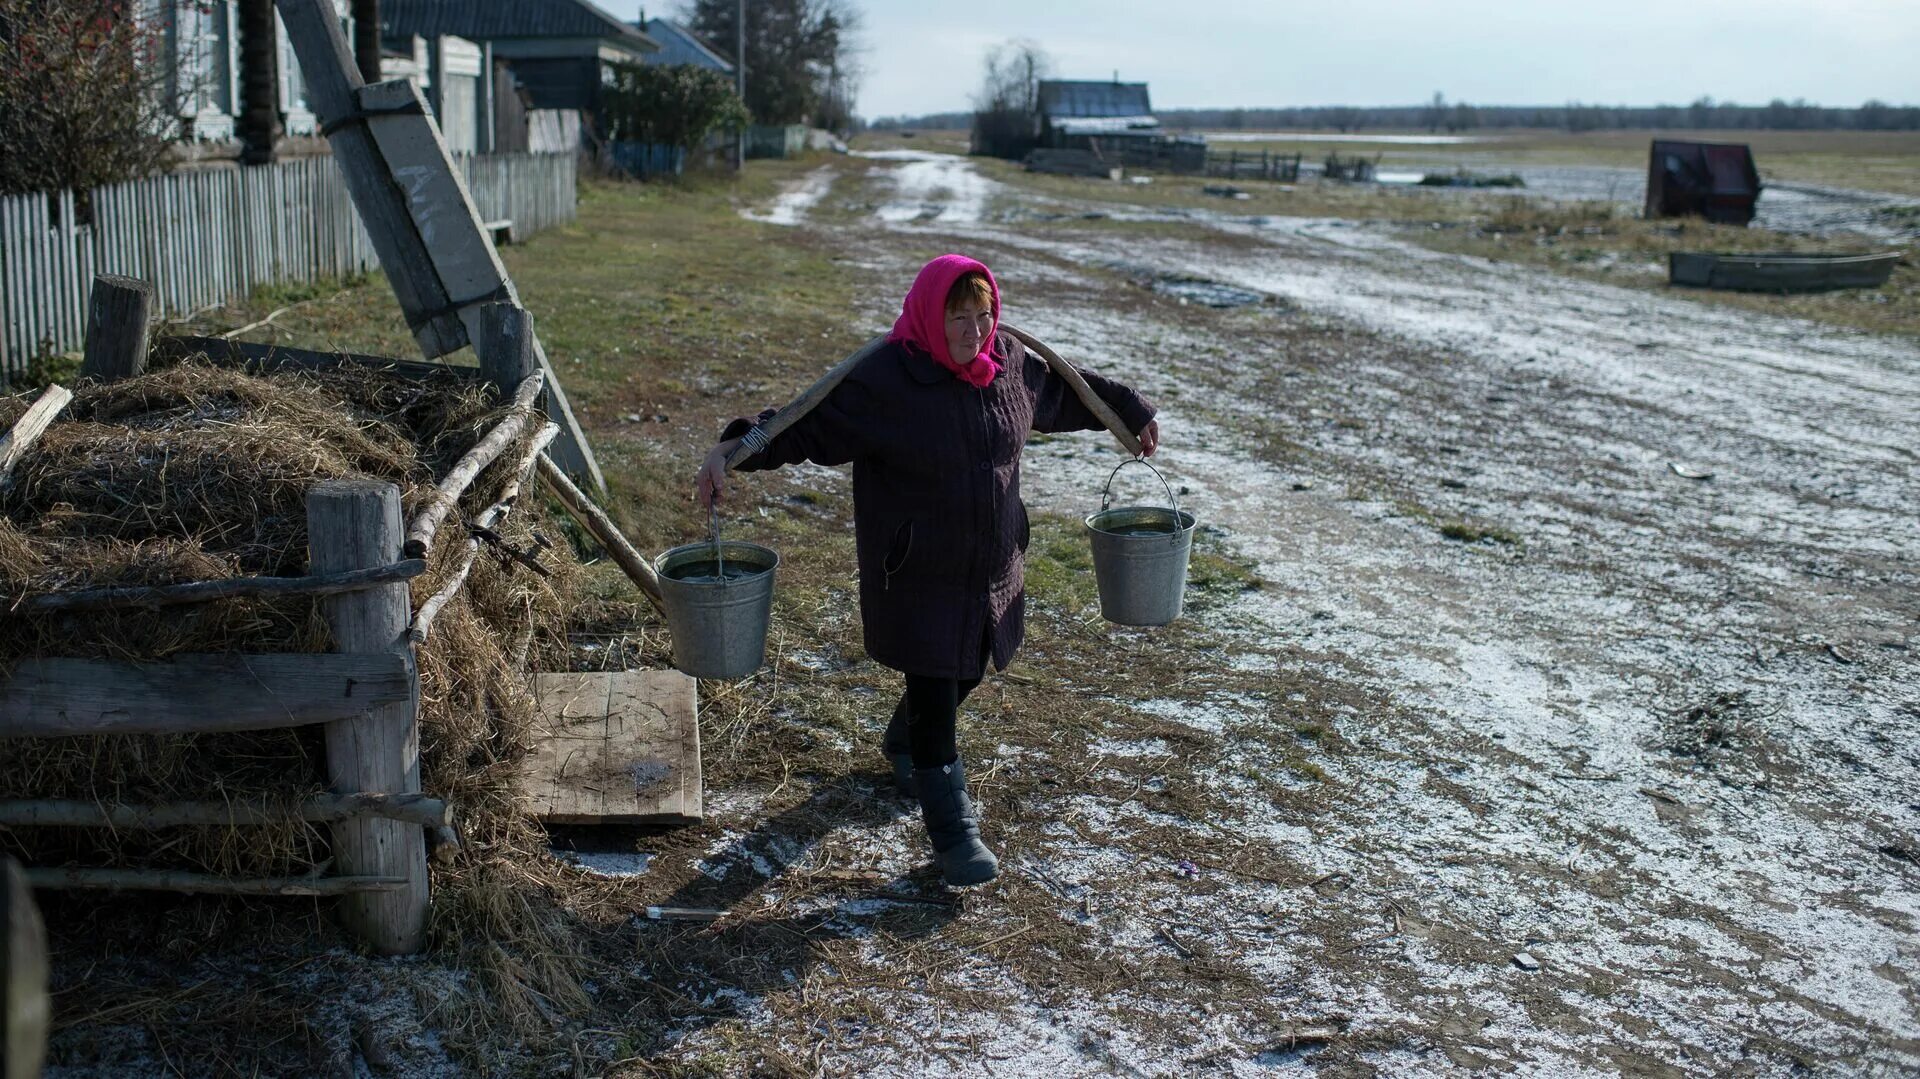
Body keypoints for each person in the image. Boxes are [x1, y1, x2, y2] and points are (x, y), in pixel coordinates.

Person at [694, 254, 1160, 886]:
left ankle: (904, 739)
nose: (974, 331)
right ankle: (954, 834)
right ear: (929, 315)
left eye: (983, 315)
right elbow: (808, 423)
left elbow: (1069, 393)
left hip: (991, 562)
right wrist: (737, 449)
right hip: (918, 570)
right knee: (939, 690)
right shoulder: (888, 378)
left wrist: (1130, 412)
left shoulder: (1008, 367)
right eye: (958, 317)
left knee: (965, 668)